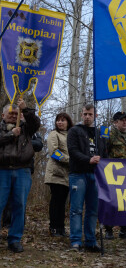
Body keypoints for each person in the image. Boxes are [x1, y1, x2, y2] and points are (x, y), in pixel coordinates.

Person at [0, 99, 40, 253]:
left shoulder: (26, 128)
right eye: (10, 113)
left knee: (19, 206)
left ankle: (14, 239)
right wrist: (11, 134)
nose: (13, 116)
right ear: (3, 114)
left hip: (22, 170)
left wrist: (26, 110)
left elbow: (36, 123)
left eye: (16, 114)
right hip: (2, 169)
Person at [67, 104, 108, 252]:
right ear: (81, 114)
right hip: (78, 174)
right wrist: (88, 160)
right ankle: (76, 241)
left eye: (90, 114)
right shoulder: (74, 131)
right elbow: (72, 151)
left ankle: (91, 241)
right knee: (76, 209)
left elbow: (104, 154)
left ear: (95, 116)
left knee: (93, 210)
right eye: (84, 114)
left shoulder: (100, 134)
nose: (87, 117)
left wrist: (103, 163)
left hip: (95, 175)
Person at [105, 111, 126, 240]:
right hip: (113, 175)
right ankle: (108, 229)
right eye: (121, 120)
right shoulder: (110, 135)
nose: (124, 122)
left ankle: (124, 229)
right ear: (115, 122)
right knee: (112, 202)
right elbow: (104, 153)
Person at [45, 112, 73, 237]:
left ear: (68, 122)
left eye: (63, 120)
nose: (60, 122)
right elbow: (54, 152)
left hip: (67, 174)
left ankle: (61, 228)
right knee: (56, 201)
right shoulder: (53, 134)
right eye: (58, 120)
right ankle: (54, 227)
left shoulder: (71, 136)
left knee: (62, 203)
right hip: (56, 173)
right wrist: (70, 160)